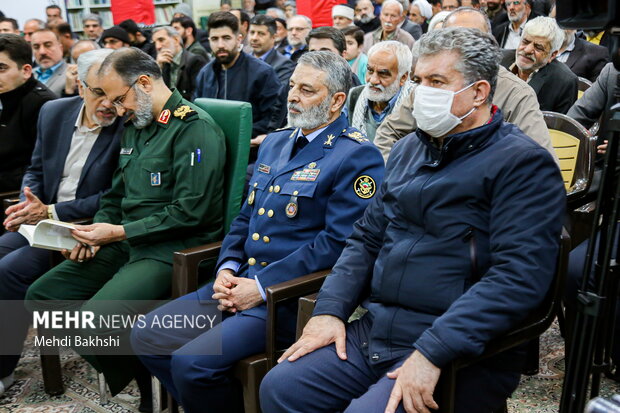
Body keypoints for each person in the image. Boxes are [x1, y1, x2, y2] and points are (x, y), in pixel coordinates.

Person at [260, 27, 565, 413]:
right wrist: (329, 310)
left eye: (437, 81)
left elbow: (518, 277)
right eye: (419, 81)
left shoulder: (522, 164)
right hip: (381, 327)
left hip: (459, 342)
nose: (422, 92)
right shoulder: (408, 150)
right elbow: (366, 239)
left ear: (479, 92)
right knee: (283, 388)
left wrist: (433, 351)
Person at [131, 50, 385, 413]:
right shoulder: (276, 141)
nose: (292, 96)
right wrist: (227, 267)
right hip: (240, 281)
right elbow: (245, 218)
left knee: (192, 362)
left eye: (307, 90)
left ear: (336, 101)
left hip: (286, 297)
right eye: (292, 85)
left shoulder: (356, 156)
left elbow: (338, 244)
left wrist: (261, 287)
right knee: (147, 335)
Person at [24, 47, 226, 406]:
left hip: (172, 249)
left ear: (145, 83)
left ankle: (151, 385)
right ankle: (142, 371)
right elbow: (116, 195)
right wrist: (95, 231)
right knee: (42, 297)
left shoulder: (194, 128)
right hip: (124, 240)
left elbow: (192, 211)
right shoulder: (137, 124)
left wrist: (116, 232)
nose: (117, 110)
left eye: (120, 99)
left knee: (92, 322)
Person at [0, 48, 123, 396]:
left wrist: (51, 212)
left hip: (86, 226)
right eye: (97, 92)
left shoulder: (126, 125)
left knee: (10, 271)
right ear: (79, 86)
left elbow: (115, 195)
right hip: (43, 218)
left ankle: (2, 370)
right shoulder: (53, 111)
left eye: (113, 93)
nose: (108, 103)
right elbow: (35, 168)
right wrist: (30, 200)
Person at [374, 7, 557, 163]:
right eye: (451, 40)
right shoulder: (427, 87)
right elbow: (388, 133)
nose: (461, 49)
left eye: (472, 41)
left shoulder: (517, 94)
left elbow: (541, 164)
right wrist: (400, 176)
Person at [194, 11, 286, 144]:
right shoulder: (205, 73)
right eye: (214, 39)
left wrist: (234, 133)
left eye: (226, 38)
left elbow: (272, 119)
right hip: (212, 147)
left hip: (249, 148)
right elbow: (198, 113)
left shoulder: (262, 73)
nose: (220, 45)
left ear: (239, 39)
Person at [0, 34, 56, 192]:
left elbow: (42, 168)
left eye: (1, 68)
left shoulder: (43, 104)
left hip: (19, 195)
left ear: (26, 71)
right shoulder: (7, 94)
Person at [347, 41, 414, 142]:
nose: (373, 80)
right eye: (370, 70)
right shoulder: (354, 96)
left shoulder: (415, 104)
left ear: (403, 78)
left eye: (383, 74)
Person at [510, 16, 578, 114]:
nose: (527, 50)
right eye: (525, 42)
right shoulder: (500, 60)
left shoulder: (564, 81)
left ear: (552, 55)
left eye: (538, 47)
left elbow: (558, 127)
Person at [152, 26, 207, 101]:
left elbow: (197, 97)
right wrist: (158, 68)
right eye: (155, 43)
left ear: (176, 40)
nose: (157, 46)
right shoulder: (163, 63)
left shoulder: (195, 61)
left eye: (161, 40)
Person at [249, 14, 295, 87]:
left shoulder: (284, 65)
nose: (254, 38)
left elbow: (278, 95)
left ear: (274, 37)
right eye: (252, 32)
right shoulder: (241, 61)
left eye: (261, 34)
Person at [31, 29, 67, 96]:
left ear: (61, 48)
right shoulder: (28, 75)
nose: (42, 52)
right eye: (36, 47)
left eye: (48, 45)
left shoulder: (73, 75)